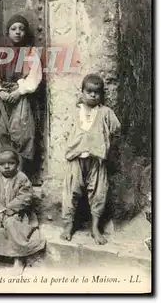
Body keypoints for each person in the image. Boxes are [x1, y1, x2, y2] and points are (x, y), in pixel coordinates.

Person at [61, 74, 121, 245]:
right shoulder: (75, 112)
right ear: (82, 92)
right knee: (71, 191)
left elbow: (116, 129)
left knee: (99, 192)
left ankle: (95, 227)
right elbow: (67, 132)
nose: (93, 95)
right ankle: (68, 225)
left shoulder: (105, 113)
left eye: (97, 92)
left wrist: (104, 144)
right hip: (76, 160)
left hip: (97, 160)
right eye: (89, 92)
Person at [0, 15, 42, 176]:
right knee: (1, 133)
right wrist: (0, 92)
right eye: (13, 29)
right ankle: (2, 176)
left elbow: (34, 75)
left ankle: (20, 175)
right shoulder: (0, 53)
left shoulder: (31, 52)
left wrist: (19, 91)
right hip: (3, 99)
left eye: (21, 29)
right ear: (8, 32)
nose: (18, 32)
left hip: (20, 98)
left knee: (22, 135)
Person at [0, 147, 46, 270]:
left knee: (13, 224)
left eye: (11, 163)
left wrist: (11, 209)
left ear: (17, 164)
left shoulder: (22, 178)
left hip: (18, 212)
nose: (7, 167)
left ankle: (19, 257)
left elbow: (25, 196)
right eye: (2, 164)